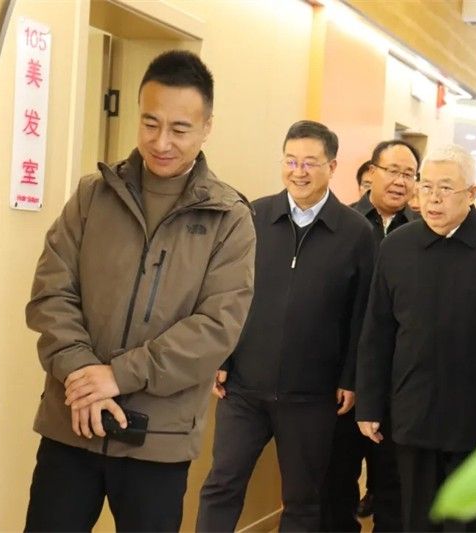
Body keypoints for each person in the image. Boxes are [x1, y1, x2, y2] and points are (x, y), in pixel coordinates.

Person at [24, 50, 256, 531]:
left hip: (158, 442)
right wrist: (83, 375)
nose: (161, 142)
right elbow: (51, 293)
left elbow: (216, 328)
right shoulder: (93, 195)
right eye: (150, 124)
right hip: (72, 424)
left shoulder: (229, 219)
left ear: (207, 128)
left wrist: (119, 375)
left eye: (179, 129)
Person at [197, 120, 376, 532]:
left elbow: (361, 313)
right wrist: (221, 356)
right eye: (291, 161)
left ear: (332, 167)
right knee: (221, 484)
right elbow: (225, 292)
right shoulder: (254, 216)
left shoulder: (356, 231)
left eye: (310, 162)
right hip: (243, 388)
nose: (299, 171)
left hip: (312, 395)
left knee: (303, 499)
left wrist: (350, 377)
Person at [357, 144, 476, 531]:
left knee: (467, 521)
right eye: (426, 186)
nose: (433, 198)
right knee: (417, 518)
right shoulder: (397, 246)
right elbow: (377, 331)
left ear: (471, 194)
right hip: (414, 410)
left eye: (446, 188)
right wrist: (369, 403)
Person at [322, 140, 421, 533]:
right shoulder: (343, 224)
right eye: (392, 171)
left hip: (397, 383)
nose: (400, 181)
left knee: (393, 484)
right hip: (341, 380)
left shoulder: (422, 231)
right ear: (371, 173)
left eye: (409, 174)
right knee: (336, 481)